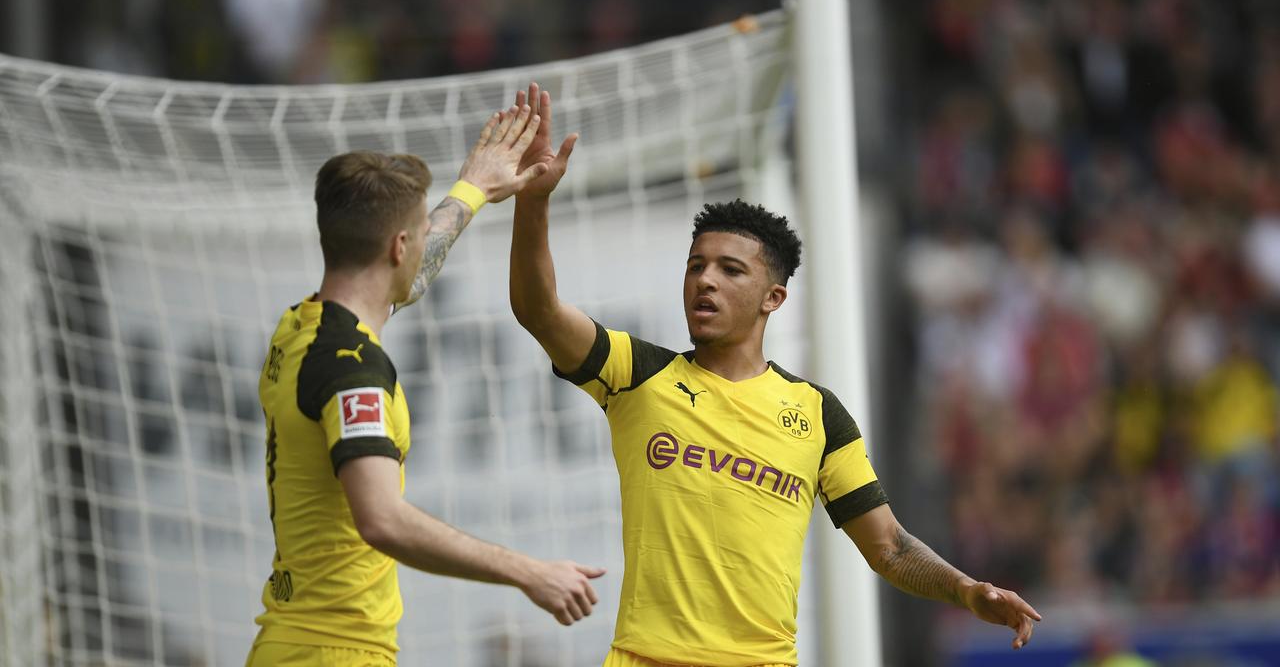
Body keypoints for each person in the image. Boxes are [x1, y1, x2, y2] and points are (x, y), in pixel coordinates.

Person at [507, 83, 1042, 666]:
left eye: (730, 270)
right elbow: (539, 311)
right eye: (695, 266)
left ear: (774, 297)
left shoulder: (816, 413)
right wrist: (533, 203)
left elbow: (888, 547)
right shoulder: (638, 373)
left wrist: (967, 590)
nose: (704, 280)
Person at [247, 103, 604, 667]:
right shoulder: (351, 368)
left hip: (297, 643)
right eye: (413, 237)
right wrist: (529, 573)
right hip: (333, 654)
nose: (420, 247)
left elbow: (403, 279)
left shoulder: (300, 325)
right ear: (396, 247)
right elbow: (383, 519)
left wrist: (474, 188)